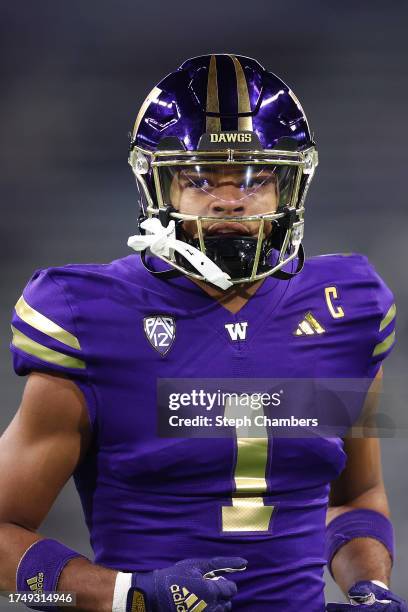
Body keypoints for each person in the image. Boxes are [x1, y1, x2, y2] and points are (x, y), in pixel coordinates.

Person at [0, 54, 404, 612]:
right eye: (198, 178)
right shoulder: (89, 316)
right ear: (157, 187)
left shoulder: (348, 310)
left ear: (290, 186)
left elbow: (356, 497)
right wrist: (129, 595)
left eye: (255, 177)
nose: (230, 198)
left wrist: (370, 585)